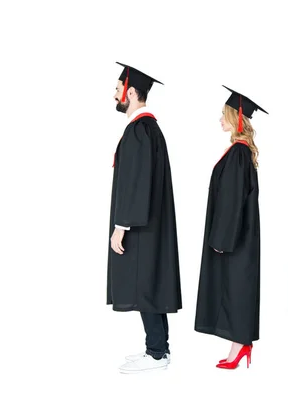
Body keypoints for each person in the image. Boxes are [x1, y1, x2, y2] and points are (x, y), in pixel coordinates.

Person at [107, 61, 182, 374]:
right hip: (150, 224)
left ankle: (156, 353)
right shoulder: (148, 128)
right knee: (150, 285)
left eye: (117, 90)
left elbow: (135, 184)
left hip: (139, 225)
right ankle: (158, 348)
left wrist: (120, 227)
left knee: (144, 286)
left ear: (131, 92)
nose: (114, 96)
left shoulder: (140, 130)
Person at [194, 85, 266, 370]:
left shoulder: (238, 153)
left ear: (237, 118)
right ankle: (240, 345)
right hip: (240, 234)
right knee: (236, 287)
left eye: (223, 115)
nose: (219, 120)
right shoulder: (240, 152)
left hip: (234, 237)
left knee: (236, 288)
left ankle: (240, 345)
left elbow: (232, 200)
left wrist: (222, 238)